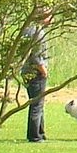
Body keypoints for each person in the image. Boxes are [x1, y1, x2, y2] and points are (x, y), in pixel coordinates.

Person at [22, 9, 51, 143]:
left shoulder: (27, 29)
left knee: (37, 103)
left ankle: (40, 132)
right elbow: (35, 55)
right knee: (37, 104)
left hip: (26, 70)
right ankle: (35, 136)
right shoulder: (38, 32)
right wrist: (43, 69)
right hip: (35, 72)